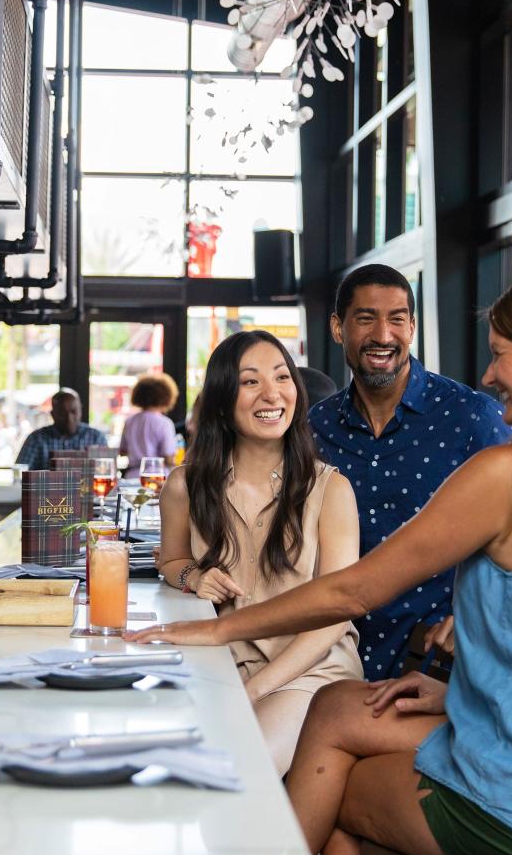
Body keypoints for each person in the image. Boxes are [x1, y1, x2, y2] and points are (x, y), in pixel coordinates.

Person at [130, 276, 512, 855]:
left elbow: (353, 593)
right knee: (340, 708)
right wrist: (463, 693)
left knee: (337, 784)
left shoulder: (510, 474)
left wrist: (215, 628)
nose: (486, 374)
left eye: (501, 351)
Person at [155, 330, 362, 776]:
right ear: (223, 399)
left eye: (282, 377)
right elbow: (170, 561)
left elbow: (336, 616)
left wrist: (251, 691)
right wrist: (193, 576)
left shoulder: (331, 490)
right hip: (222, 663)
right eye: (250, 382)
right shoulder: (184, 486)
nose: (272, 393)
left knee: (239, 766)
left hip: (310, 671)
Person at [307, 264, 512, 678]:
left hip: (442, 660)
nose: (383, 336)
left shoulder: (471, 417)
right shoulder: (315, 427)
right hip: (329, 650)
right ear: (336, 327)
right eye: (366, 319)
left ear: (412, 327)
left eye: (397, 319)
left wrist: (481, 612)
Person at [14, 387, 107, 471]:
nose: (69, 418)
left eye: (73, 412)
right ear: (52, 414)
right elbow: (20, 473)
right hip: (46, 490)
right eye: (62, 413)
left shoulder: (96, 438)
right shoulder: (36, 439)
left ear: (81, 410)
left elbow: (106, 470)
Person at [118, 372, 178, 478]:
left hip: (132, 475)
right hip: (156, 477)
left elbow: (122, 452)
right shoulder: (165, 423)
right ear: (166, 396)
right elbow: (169, 457)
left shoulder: (129, 421)